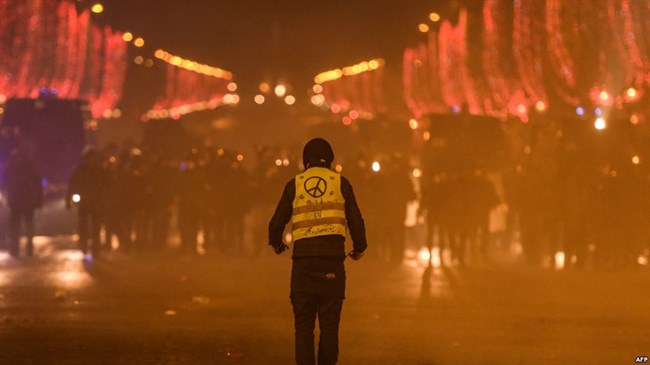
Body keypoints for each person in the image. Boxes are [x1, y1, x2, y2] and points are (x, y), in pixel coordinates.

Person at [268, 138, 367, 365]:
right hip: (332, 263)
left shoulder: (295, 184)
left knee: (303, 328)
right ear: (331, 159)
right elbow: (356, 221)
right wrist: (359, 248)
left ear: (306, 160)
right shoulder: (341, 183)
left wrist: (276, 244)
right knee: (330, 327)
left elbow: (276, 224)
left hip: (303, 265)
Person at [2, 146, 43, 257]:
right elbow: (5, 183)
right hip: (18, 201)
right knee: (18, 225)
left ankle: (26, 247)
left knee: (26, 225)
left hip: (24, 201)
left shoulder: (26, 168)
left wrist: (39, 200)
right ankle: (17, 248)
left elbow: (37, 185)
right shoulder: (14, 168)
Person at [66, 148, 106, 258]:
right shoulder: (80, 169)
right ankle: (84, 244)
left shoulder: (100, 170)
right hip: (84, 202)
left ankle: (95, 249)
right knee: (83, 225)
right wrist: (68, 200)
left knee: (96, 226)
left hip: (96, 202)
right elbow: (72, 184)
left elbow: (105, 185)